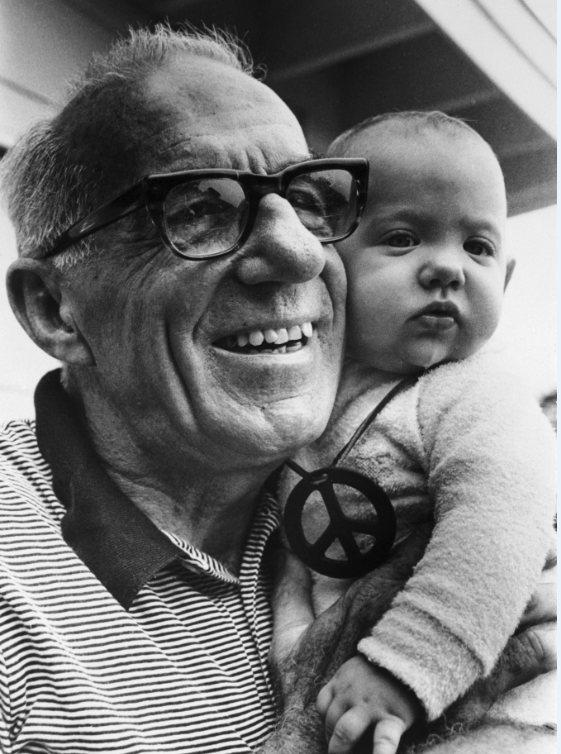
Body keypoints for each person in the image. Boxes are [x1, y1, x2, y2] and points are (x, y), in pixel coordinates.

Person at [0, 27, 555, 754]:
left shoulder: (387, 474)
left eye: (310, 201)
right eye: (198, 208)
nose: (298, 252)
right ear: (54, 309)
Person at [279, 112, 557, 754]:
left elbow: (500, 524)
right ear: (327, 264)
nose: (447, 269)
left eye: (478, 247)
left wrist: (403, 665)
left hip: (488, 711)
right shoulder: (313, 395)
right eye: (403, 238)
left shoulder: (476, 393)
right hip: (349, 705)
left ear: (505, 280)